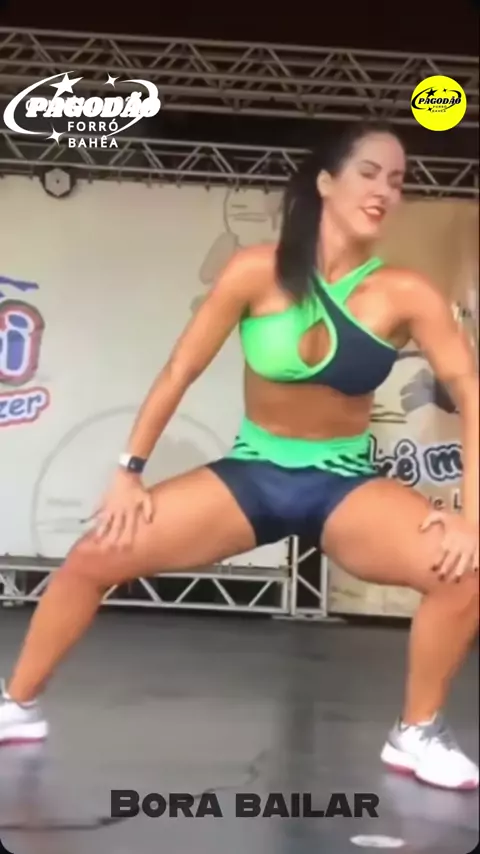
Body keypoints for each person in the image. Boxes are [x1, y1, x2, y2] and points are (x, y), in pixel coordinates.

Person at [0, 121, 478, 791]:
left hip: (342, 485)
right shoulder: (256, 271)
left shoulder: (405, 292)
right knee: (94, 554)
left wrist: (470, 520)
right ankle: (16, 705)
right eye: (369, 173)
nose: (384, 191)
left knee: (463, 571)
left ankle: (417, 731)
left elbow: (470, 392)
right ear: (326, 182)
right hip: (254, 475)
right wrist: (129, 472)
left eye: (397, 182)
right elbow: (179, 370)